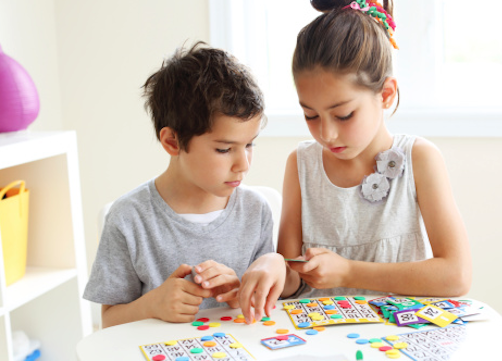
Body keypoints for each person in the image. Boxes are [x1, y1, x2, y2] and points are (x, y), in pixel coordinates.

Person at [238, 0, 472, 322]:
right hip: (317, 339)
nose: (327, 133)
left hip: (397, 338)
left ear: (386, 94)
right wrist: (275, 265)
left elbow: (456, 275)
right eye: (310, 115)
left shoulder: (420, 159)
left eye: (344, 114)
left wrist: (349, 272)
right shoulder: (301, 164)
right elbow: (292, 280)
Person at [83, 41, 284, 328]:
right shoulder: (129, 218)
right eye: (225, 149)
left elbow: (264, 307)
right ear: (172, 142)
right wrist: (153, 304)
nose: (244, 164)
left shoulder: (256, 211)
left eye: (249, 144)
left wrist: (240, 292)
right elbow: (110, 322)